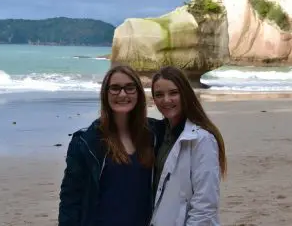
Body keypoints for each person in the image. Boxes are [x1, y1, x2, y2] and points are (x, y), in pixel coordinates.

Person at [58, 65, 156, 226]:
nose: (122, 94)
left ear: (138, 93)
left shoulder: (154, 135)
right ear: (105, 94)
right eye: (115, 88)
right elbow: (70, 198)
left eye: (130, 88)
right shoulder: (85, 142)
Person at [149, 66, 227, 226]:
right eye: (159, 95)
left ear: (185, 94)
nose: (166, 100)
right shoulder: (158, 136)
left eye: (173, 93)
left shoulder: (202, 140)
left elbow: (205, 206)